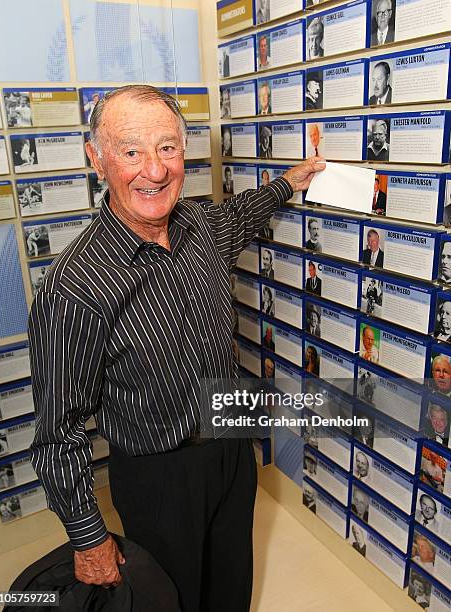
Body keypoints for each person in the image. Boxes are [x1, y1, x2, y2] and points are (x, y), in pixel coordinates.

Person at [27, 84, 325, 609]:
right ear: (96, 159)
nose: (155, 170)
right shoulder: (75, 285)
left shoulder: (202, 225)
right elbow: (58, 432)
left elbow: (243, 213)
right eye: (131, 151)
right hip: (157, 481)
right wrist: (88, 536)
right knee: (173, 600)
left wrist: (291, 182)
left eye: (167, 147)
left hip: (231, 453)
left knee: (231, 591)